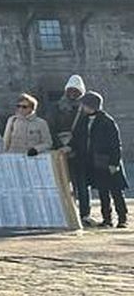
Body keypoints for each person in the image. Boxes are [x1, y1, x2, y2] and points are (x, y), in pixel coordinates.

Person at [73, 92, 127, 228]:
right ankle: (107, 219)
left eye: (84, 104)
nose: (82, 107)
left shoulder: (107, 121)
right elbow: (78, 138)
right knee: (103, 192)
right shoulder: (83, 120)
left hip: (107, 160)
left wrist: (114, 163)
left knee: (116, 191)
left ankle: (122, 218)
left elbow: (116, 144)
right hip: (94, 162)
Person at [53, 75, 89, 212]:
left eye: (76, 91)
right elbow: (52, 128)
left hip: (80, 151)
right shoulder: (57, 108)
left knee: (82, 183)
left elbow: (85, 132)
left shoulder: (85, 109)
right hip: (61, 149)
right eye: (71, 90)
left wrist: (73, 147)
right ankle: (69, 212)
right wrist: (60, 146)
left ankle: (84, 212)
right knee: (63, 183)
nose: (73, 93)